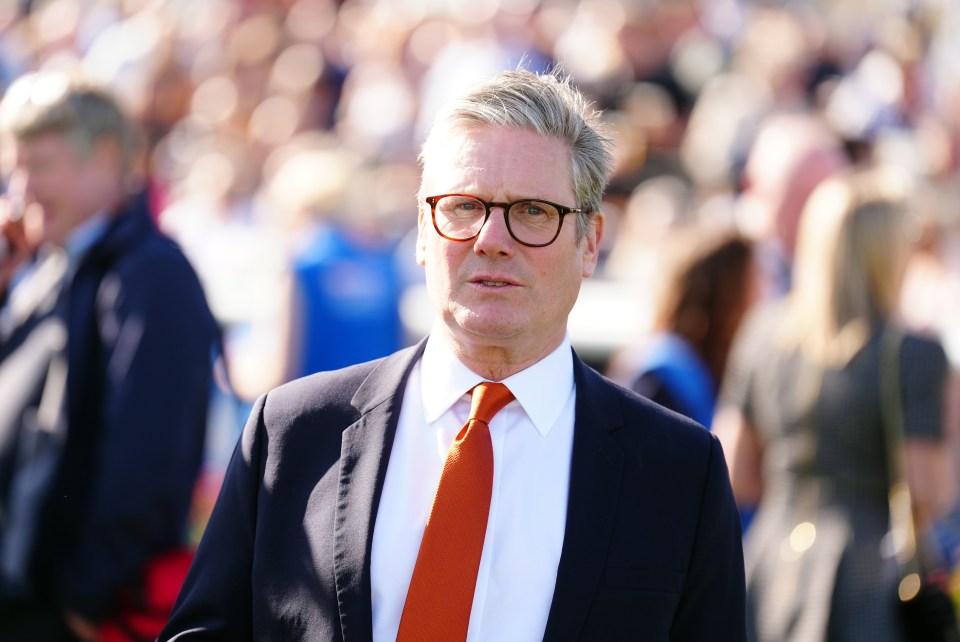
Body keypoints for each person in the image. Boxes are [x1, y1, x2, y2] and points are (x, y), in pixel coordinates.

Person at [160, 68, 746, 641]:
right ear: (422, 230)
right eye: (463, 206)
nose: (491, 239)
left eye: (533, 212)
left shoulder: (677, 472)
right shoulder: (292, 432)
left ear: (589, 244)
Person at [0, 71, 220, 641]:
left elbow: (148, 458)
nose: (20, 190)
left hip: (63, 612)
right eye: (15, 168)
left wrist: (84, 600)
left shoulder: (152, 276)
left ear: (103, 156)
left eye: (38, 166)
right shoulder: (48, 266)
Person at [714, 166, 955, 641]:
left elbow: (733, 471)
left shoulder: (763, 334)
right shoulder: (913, 352)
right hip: (867, 575)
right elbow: (928, 491)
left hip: (769, 562)